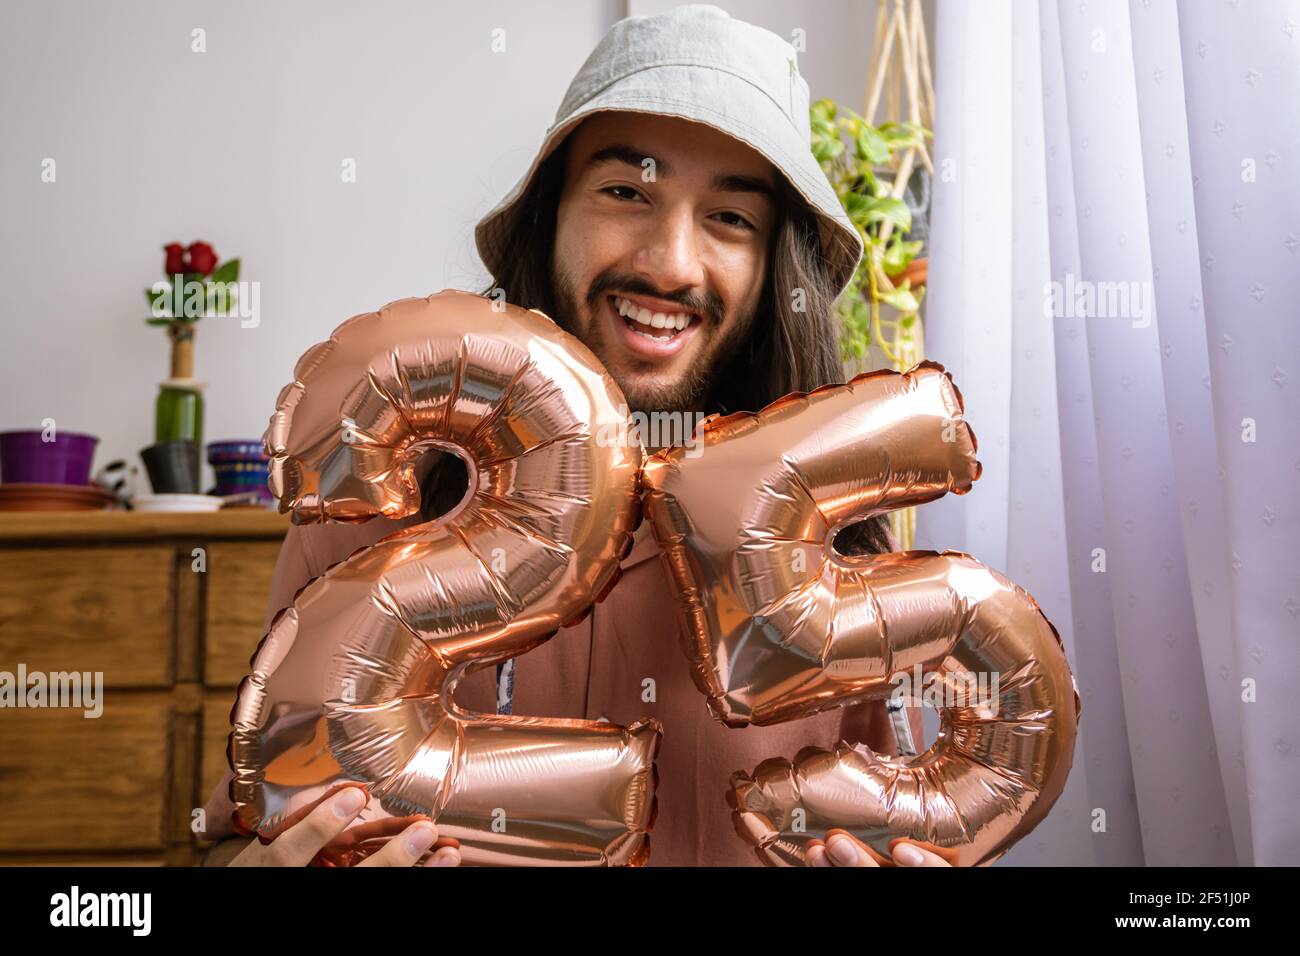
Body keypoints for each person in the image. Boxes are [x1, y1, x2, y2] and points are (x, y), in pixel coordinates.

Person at [202, 3, 947, 869]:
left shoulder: (844, 556)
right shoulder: (371, 512)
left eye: (730, 218)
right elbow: (233, 839)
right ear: (548, 217)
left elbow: (908, 818)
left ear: (775, 267)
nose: (670, 264)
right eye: (627, 192)